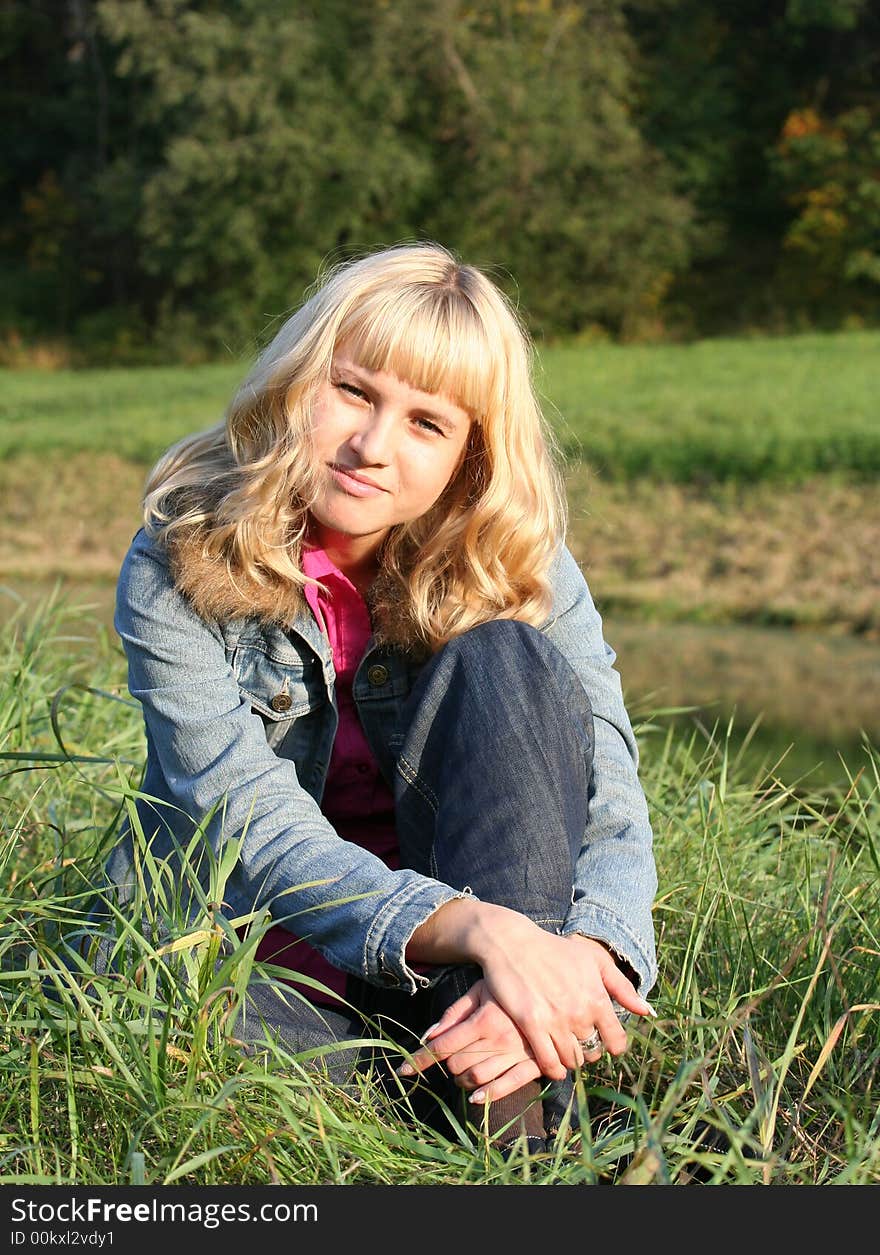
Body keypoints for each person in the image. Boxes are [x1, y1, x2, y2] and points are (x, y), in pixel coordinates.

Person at [102, 241, 658, 1155]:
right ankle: (512, 1107)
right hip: (256, 945)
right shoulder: (179, 556)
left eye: (426, 423)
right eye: (354, 392)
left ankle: (506, 1111)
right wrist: (486, 932)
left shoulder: (518, 560)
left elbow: (611, 791)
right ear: (299, 380)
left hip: (483, 947)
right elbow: (251, 823)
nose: (372, 446)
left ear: (468, 457)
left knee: (509, 660)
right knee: (273, 1079)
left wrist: (586, 956)